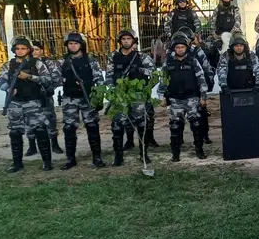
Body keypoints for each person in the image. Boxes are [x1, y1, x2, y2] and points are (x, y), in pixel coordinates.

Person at [0, 36, 54, 172]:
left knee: (40, 131)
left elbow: (47, 80)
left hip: (33, 102)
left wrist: (30, 77)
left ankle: (47, 162)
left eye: (23, 48)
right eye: (17, 48)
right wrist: (8, 88)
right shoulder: (9, 65)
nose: (20, 51)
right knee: (15, 133)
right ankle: (17, 163)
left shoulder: (37, 63)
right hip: (15, 104)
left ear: (28, 49)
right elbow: (1, 81)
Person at [105, 29, 156, 166]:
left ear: (133, 41)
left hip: (137, 94)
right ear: (120, 41)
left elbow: (153, 73)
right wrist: (112, 91)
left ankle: (143, 154)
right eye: (123, 39)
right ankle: (118, 156)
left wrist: (139, 71)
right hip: (120, 94)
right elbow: (109, 75)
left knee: (141, 124)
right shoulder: (113, 56)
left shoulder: (141, 57)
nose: (126, 41)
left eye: (128, 39)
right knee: (117, 125)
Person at [57, 32, 106, 169]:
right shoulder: (62, 61)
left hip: (88, 98)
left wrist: (99, 98)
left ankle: (97, 158)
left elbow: (99, 80)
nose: (73, 46)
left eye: (75, 43)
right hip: (69, 99)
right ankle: (70, 159)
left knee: (92, 127)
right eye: (70, 44)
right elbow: (55, 79)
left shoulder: (90, 60)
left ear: (81, 45)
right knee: (69, 128)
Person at [159, 35, 208, 161]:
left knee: (196, 125)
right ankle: (175, 154)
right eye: (177, 47)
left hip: (192, 98)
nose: (180, 49)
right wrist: (162, 97)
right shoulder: (168, 63)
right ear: (174, 49)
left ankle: (199, 151)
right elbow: (163, 81)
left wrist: (203, 97)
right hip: (175, 99)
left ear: (186, 48)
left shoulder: (193, 61)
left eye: (182, 47)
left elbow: (201, 79)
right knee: (175, 127)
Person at [178, 27, 216, 144]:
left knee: (201, 113)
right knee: (178, 116)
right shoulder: (174, 52)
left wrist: (209, 82)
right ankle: (178, 138)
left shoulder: (197, 51)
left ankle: (204, 135)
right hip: (179, 88)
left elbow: (206, 67)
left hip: (196, 87)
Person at [28, 40, 63, 155]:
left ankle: (54, 144)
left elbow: (56, 79)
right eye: (32, 49)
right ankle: (32, 146)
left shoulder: (48, 63)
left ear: (42, 51)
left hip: (45, 97)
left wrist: (46, 88)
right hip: (30, 98)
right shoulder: (26, 62)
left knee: (50, 120)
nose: (34, 52)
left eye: (37, 49)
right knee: (30, 122)